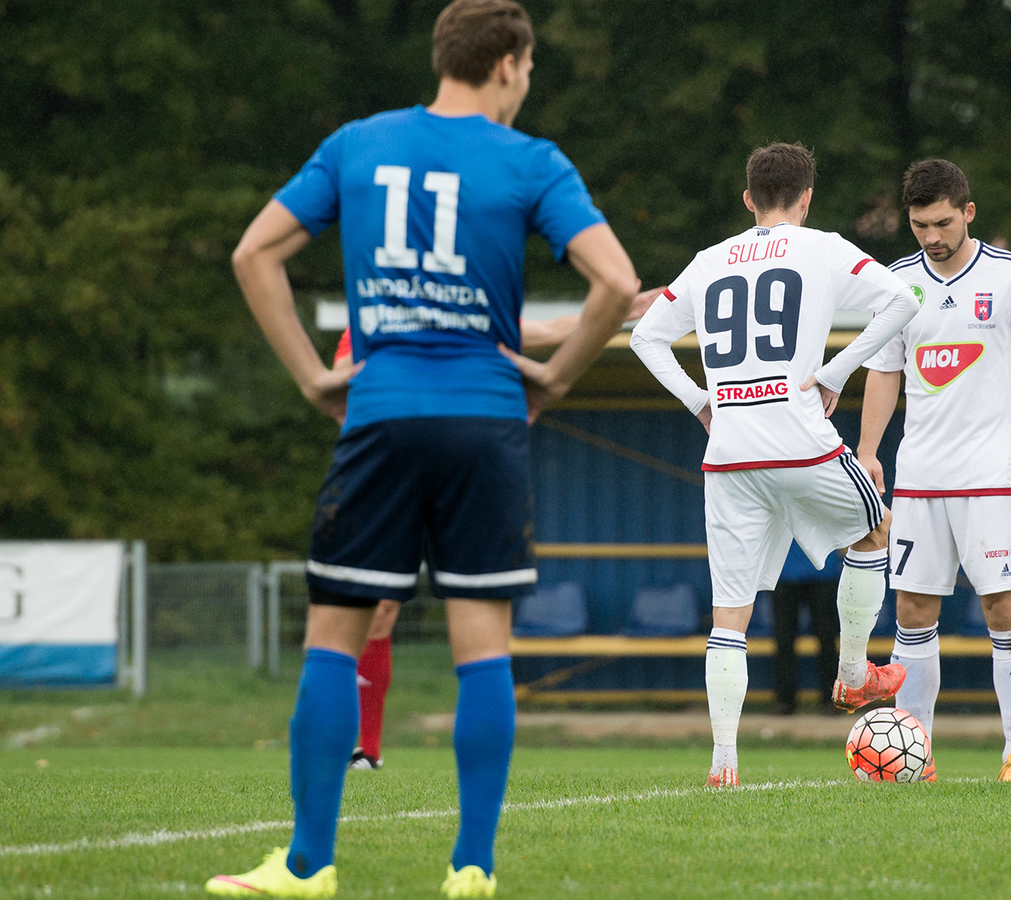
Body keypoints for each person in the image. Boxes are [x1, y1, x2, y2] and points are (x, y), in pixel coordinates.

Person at [211, 2, 640, 896]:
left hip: (381, 412)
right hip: (486, 419)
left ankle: (306, 866)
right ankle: (472, 868)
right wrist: (555, 377)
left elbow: (254, 255)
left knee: (333, 638)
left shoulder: (357, 145)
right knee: (481, 645)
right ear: (510, 63)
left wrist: (311, 376)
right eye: (529, 69)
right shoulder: (531, 161)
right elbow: (616, 282)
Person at [629, 142, 920, 787]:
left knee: (728, 615)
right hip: (799, 438)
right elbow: (903, 301)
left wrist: (700, 402)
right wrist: (836, 372)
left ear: (748, 200)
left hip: (728, 453)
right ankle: (852, 676)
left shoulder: (709, 260)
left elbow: (645, 336)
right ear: (807, 198)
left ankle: (723, 764)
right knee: (875, 527)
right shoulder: (822, 248)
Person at [334, 298, 660, 771]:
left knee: (478, 609)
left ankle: (478, 771)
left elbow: (550, 331)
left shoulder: (465, 315)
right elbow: (338, 378)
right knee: (376, 609)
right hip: (387, 472)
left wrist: (623, 307)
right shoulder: (373, 316)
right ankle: (366, 748)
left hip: (461, 472)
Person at [856, 158, 1011, 784]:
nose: (932, 236)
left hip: (991, 478)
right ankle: (914, 757)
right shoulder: (897, 283)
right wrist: (867, 451)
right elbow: (883, 370)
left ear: (969, 212)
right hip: (919, 480)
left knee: (1004, 607)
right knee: (912, 612)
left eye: (943, 223)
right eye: (920, 225)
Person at [769, 542, 841, 715]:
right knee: (784, 639)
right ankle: (784, 701)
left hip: (823, 570)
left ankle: (832, 699)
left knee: (827, 638)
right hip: (784, 570)